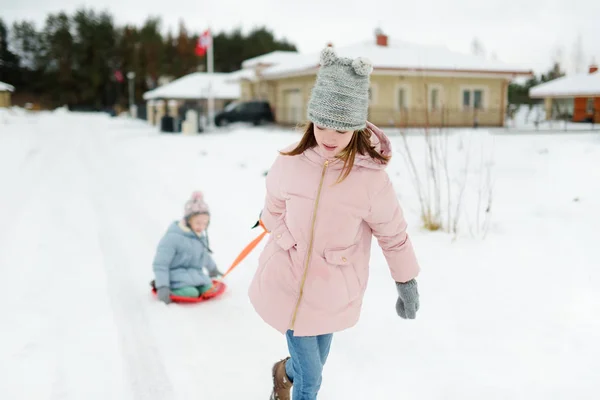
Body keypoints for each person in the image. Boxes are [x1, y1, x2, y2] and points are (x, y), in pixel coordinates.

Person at [248, 47, 421, 400]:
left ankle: (285, 372)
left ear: (356, 129)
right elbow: (271, 211)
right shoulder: (290, 163)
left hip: (332, 287)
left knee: (312, 366)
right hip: (289, 280)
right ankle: (294, 381)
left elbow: (394, 235)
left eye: (340, 130)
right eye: (322, 125)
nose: (328, 137)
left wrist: (406, 281)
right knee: (311, 381)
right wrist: (286, 240)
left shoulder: (371, 181)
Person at [152, 191, 223, 304]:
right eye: (198, 223)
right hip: (175, 277)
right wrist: (162, 286)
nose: (202, 227)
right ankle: (168, 289)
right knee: (191, 292)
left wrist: (213, 269)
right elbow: (161, 264)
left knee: (208, 290)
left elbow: (205, 256)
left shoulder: (199, 237)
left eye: (205, 223)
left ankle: (197, 288)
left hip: (196, 276)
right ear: (188, 220)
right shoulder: (172, 238)